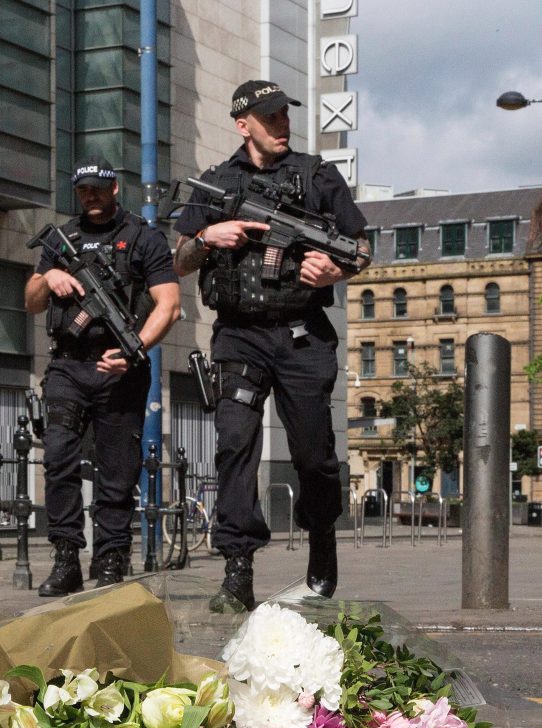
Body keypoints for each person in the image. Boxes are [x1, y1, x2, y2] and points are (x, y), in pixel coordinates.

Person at [173, 81, 370, 612]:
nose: (282, 122)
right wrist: (207, 238)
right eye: (270, 116)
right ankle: (238, 569)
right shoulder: (216, 184)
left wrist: (336, 266)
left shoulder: (317, 175)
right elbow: (178, 259)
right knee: (234, 444)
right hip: (238, 335)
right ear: (244, 124)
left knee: (314, 455)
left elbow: (360, 246)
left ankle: (321, 543)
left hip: (302, 334)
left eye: (285, 114)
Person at [26, 156, 180, 597]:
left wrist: (137, 351)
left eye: (98, 187)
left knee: (117, 470)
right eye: (83, 189)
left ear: (115, 188)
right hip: (69, 365)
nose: (90, 195)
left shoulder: (143, 238)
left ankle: (111, 557)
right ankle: (65, 556)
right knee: (57, 458)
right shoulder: (61, 241)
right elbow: (32, 301)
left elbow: (168, 304)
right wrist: (50, 274)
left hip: (120, 368)